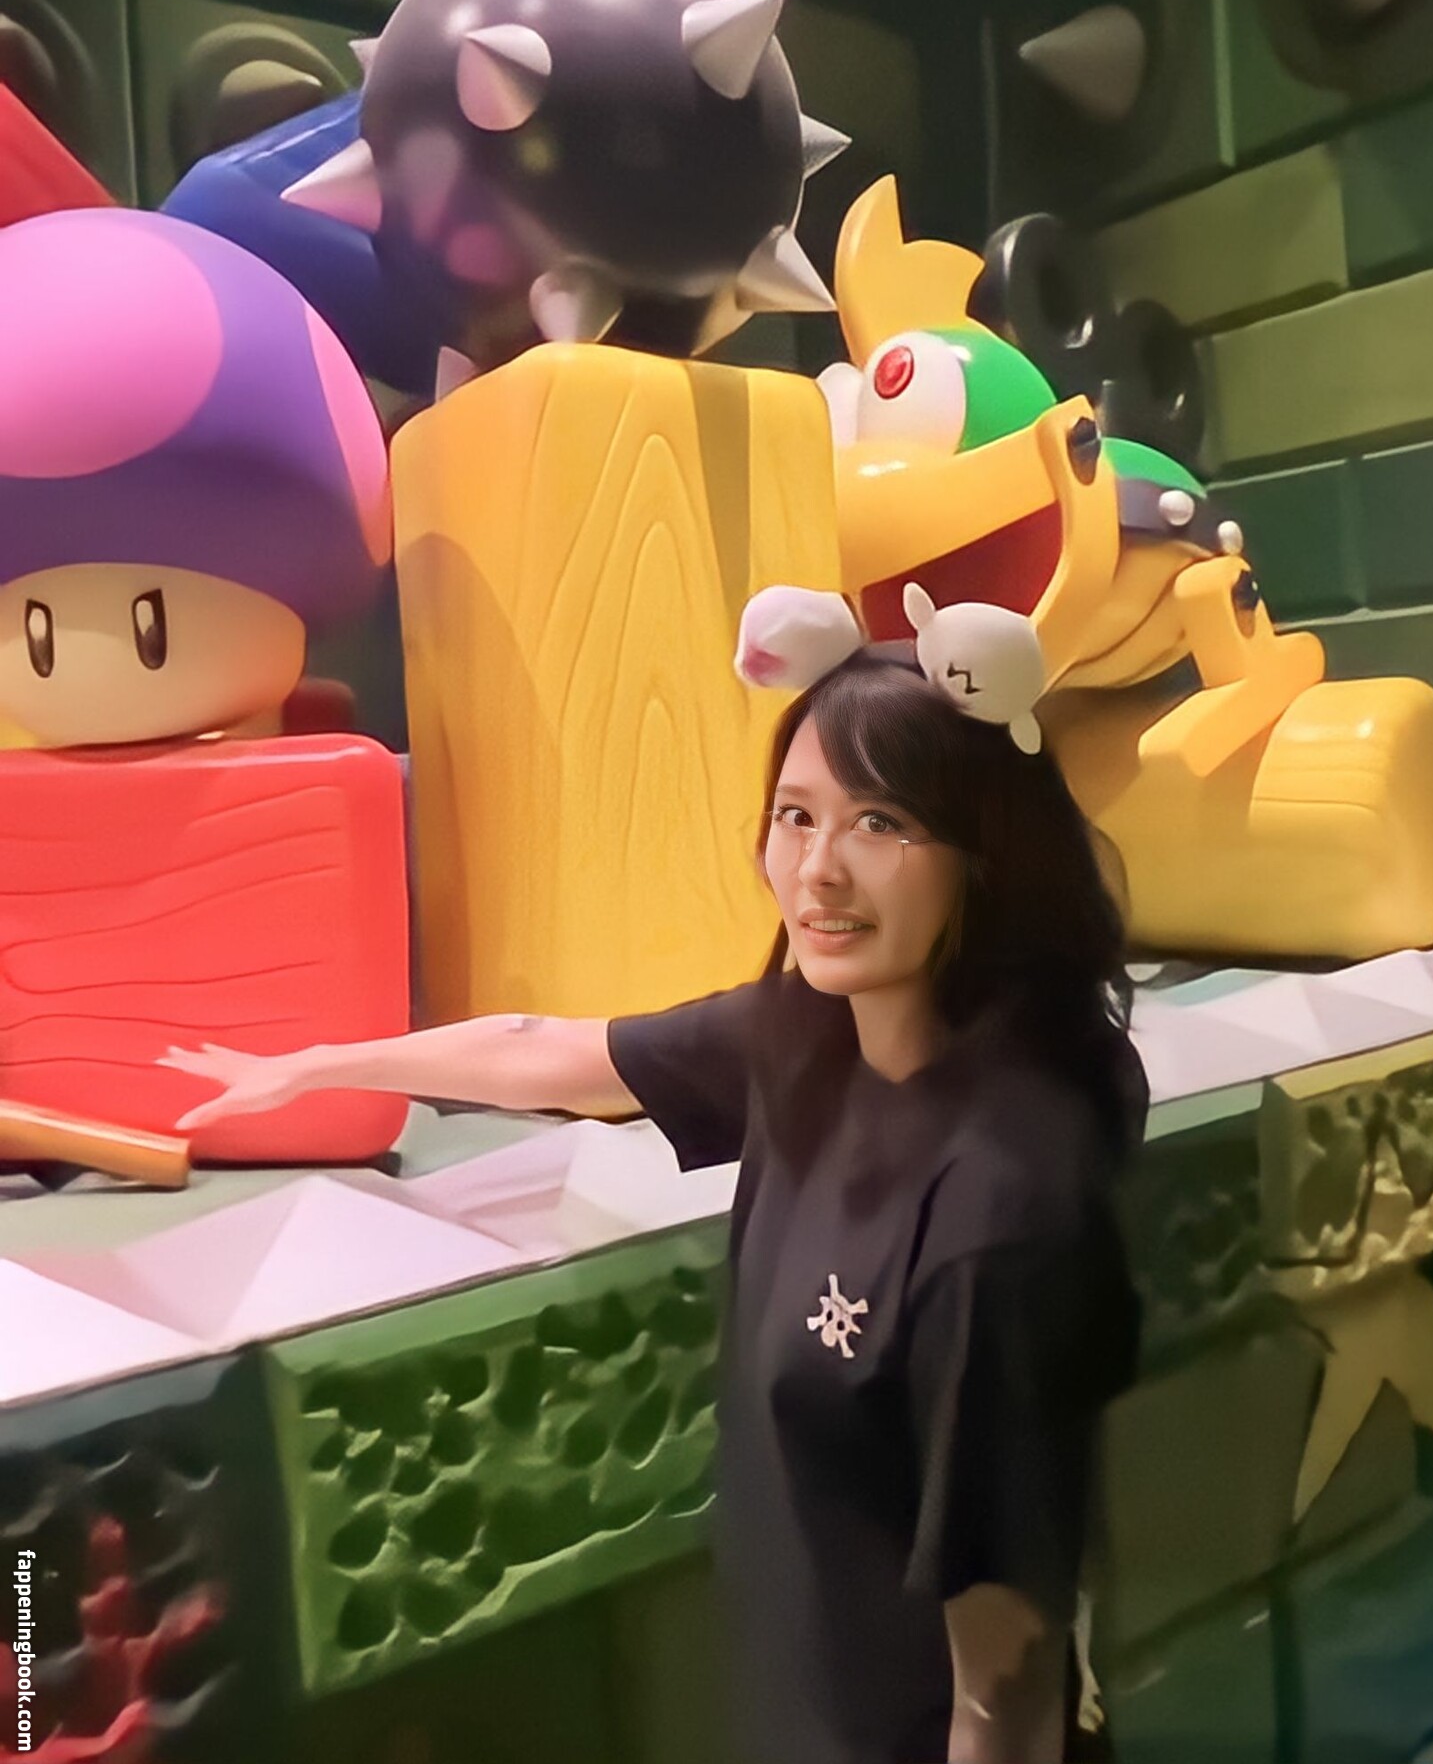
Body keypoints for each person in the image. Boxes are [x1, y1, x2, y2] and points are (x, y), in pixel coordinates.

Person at [163, 638, 1146, 1764]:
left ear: (986, 853)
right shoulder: (807, 1037)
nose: (819, 869)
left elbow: (1007, 1689)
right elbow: (559, 1056)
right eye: (796, 816)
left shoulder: (999, 1209)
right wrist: (319, 1067)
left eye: (880, 824)